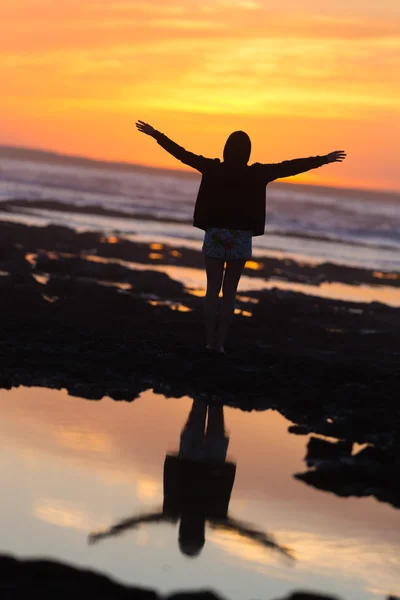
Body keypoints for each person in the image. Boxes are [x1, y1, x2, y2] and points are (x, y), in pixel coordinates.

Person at [136, 120, 346, 353]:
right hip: (241, 238)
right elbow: (290, 167)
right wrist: (324, 159)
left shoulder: (213, 168)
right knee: (230, 293)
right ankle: (221, 345)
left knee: (212, 290)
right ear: (247, 153)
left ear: (226, 149)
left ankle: (209, 342)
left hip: (216, 234)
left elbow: (182, 154)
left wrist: (156, 134)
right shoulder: (258, 173)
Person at [88, 398, 293, 561]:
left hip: (201, 457)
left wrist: (109, 533)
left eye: (189, 534)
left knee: (208, 403)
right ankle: (213, 352)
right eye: (194, 535)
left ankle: (212, 353)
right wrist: (273, 546)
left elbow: (138, 521)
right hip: (201, 458)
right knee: (209, 403)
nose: (192, 530)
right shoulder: (198, 515)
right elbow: (248, 533)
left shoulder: (190, 514)